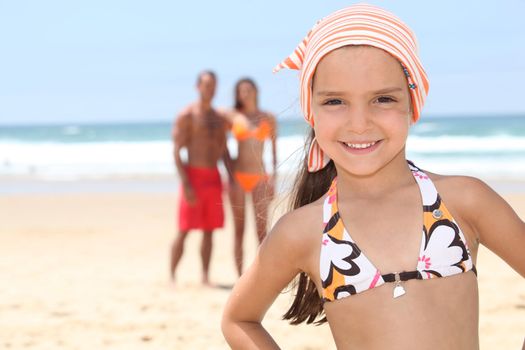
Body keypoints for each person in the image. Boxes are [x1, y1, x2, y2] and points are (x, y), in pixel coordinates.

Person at [221, 4, 525, 349]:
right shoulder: (303, 230)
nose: (359, 123)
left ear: (412, 102)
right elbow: (238, 319)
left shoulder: (464, 200)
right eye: (335, 101)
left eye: (382, 98)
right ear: (312, 111)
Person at [170, 70, 232, 286]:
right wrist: (186, 183)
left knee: (209, 231)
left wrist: (232, 177)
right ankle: (172, 276)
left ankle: (205, 276)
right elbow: (176, 151)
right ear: (198, 87)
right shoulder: (187, 115)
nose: (210, 89)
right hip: (193, 177)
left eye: (213, 85)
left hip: (214, 176)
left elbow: (224, 150)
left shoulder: (219, 118)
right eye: (206, 85)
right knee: (184, 229)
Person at [227, 78, 277, 276]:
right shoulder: (234, 116)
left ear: (256, 91)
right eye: (241, 91)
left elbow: (274, 151)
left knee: (262, 231)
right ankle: (240, 277)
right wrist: (228, 166)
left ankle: (260, 275)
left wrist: (273, 179)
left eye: (248, 90)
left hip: (260, 177)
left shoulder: (268, 117)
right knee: (239, 230)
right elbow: (218, 140)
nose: (245, 94)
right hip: (238, 177)